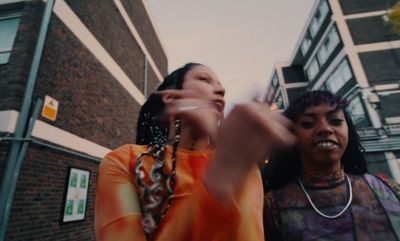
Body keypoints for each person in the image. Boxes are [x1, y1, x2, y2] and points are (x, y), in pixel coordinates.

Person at [94, 63, 279, 241]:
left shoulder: (241, 166)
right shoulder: (124, 161)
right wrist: (217, 184)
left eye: (221, 86)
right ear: (171, 97)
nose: (221, 91)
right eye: (205, 80)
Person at [262, 90, 400, 241]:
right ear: (291, 135)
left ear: (348, 129)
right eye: (308, 123)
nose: (325, 129)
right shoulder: (271, 206)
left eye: (335, 121)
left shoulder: (387, 188)